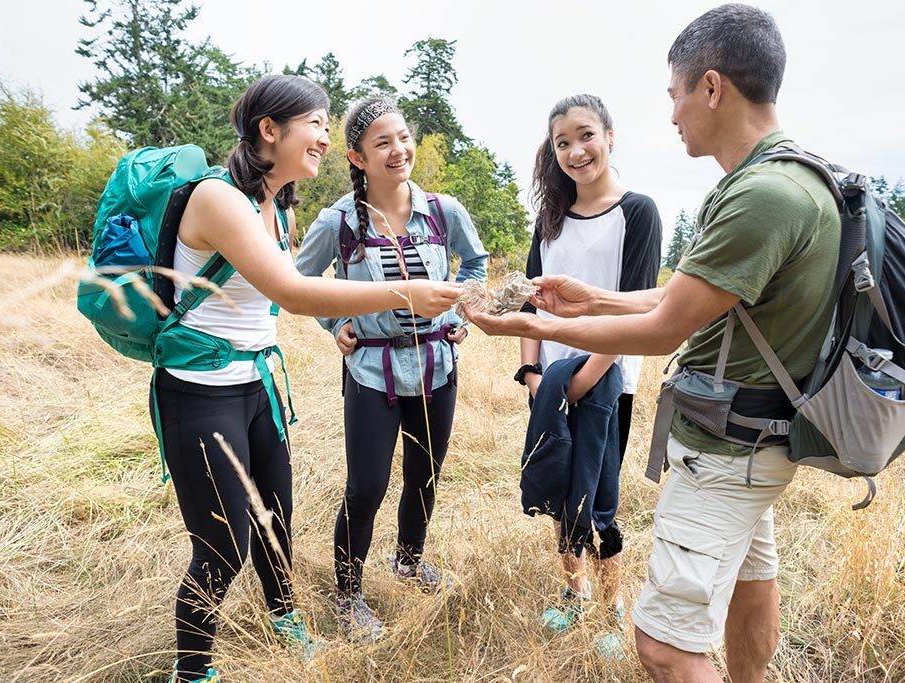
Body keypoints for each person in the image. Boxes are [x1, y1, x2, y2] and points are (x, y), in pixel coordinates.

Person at [465, 5, 841, 681]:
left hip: (730, 445)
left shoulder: (760, 196)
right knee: (752, 578)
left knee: (665, 646)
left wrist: (536, 326)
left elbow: (668, 326)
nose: (671, 114)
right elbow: (682, 298)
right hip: (755, 436)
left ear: (712, 87)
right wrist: (592, 300)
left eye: (674, 94)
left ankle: (608, 601)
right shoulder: (784, 177)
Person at [154, 76, 462, 683]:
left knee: (276, 518)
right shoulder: (219, 198)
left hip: (258, 385)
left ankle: (285, 618)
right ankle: (192, 671)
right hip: (200, 391)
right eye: (315, 124)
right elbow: (293, 291)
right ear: (270, 131)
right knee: (222, 546)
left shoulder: (277, 204)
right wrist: (406, 293)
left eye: (326, 125)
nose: (324, 136)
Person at [295, 97, 489, 643]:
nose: (399, 150)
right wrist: (335, 326)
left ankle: (408, 561)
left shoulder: (443, 211)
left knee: (424, 474)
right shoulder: (337, 220)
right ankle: (348, 594)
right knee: (367, 486)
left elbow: (475, 263)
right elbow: (301, 283)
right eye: (382, 142)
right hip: (372, 370)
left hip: (436, 364)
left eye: (402, 137)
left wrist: (459, 312)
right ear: (357, 157)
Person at [515, 94, 660, 658]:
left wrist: (586, 376)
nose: (575, 151)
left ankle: (610, 606)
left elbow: (636, 308)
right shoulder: (549, 218)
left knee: (599, 494)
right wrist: (532, 370)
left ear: (610, 136)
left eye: (585, 136)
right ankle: (574, 591)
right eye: (562, 143)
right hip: (549, 381)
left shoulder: (638, 211)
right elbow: (531, 302)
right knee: (558, 484)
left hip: (609, 380)